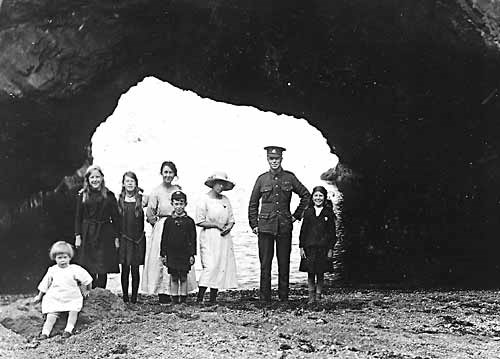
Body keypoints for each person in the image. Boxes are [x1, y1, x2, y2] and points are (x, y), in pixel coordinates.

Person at [248, 146, 310, 302]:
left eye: (276, 159)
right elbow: (253, 203)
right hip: (265, 227)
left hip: (284, 226)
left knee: (284, 263)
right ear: (267, 160)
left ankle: (284, 297)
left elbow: (306, 196)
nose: (274, 161)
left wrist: (296, 215)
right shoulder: (262, 179)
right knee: (265, 265)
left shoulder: (289, 178)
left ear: (281, 159)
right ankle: (265, 298)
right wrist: (254, 224)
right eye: (271, 159)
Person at [142, 161, 197, 303]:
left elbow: (182, 206)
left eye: (170, 172)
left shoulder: (178, 189)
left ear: (174, 174)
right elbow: (149, 214)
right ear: (161, 173)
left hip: (178, 225)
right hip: (163, 227)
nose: (168, 175)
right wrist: (158, 226)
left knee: (180, 259)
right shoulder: (156, 191)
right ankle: (163, 293)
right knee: (162, 261)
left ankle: (180, 294)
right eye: (165, 172)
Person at [33, 241, 93, 339]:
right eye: (59, 258)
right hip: (56, 296)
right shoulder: (52, 270)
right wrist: (39, 296)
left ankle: (68, 330)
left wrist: (87, 290)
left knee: (73, 311)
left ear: (70, 257)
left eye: (65, 257)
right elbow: (45, 284)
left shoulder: (74, 269)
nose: (63, 260)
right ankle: (45, 332)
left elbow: (87, 279)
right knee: (51, 315)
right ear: (54, 258)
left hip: (71, 296)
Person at [74, 165, 121, 288]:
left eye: (97, 177)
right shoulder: (83, 195)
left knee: (102, 265)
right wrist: (78, 236)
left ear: (102, 178)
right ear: (88, 180)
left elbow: (116, 218)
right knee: (89, 264)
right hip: (88, 232)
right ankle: (92, 294)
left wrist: (116, 237)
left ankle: (101, 294)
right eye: (92, 177)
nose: (95, 180)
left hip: (104, 232)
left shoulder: (109, 195)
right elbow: (78, 217)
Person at [195, 172, 238, 304]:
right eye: (218, 183)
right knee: (210, 266)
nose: (220, 186)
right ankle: (200, 297)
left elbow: (231, 219)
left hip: (223, 237)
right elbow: (199, 221)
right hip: (209, 236)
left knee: (220, 265)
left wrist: (228, 227)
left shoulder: (225, 200)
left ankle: (213, 297)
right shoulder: (204, 199)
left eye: (222, 184)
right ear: (212, 184)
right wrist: (216, 224)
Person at [298, 186, 336, 304]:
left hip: (323, 248)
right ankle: (311, 296)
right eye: (316, 195)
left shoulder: (328, 213)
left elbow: (332, 233)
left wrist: (330, 248)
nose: (318, 198)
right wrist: (301, 247)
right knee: (310, 272)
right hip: (310, 247)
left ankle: (319, 295)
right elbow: (303, 231)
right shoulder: (308, 212)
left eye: (320, 196)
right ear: (312, 197)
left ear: (324, 198)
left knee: (320, 272)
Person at [160, 190, 196, 304]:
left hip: (184, 254)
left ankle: (183, 299)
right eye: (176, 204)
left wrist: (192, 254)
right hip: (172, 253)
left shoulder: (189, 221)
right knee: (174, 276)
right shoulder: (168, 221)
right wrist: (163, 254)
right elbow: (164, 238)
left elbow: (193, 239)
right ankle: (175, 299)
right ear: (172, 204)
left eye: (181, 204)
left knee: (184, 276)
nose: (179, 207)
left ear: (185, 204)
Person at [117, 171, 147, 304]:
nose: (129, 183)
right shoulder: (119, 200)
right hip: (124, 238)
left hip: (138, 239)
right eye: (127, 181)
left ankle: (134, 297)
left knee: (135, 269)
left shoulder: (142, 199)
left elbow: (153, 205)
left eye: (132, 181)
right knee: (125, 269)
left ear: (136, 183)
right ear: (123, 184)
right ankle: (125, 296)